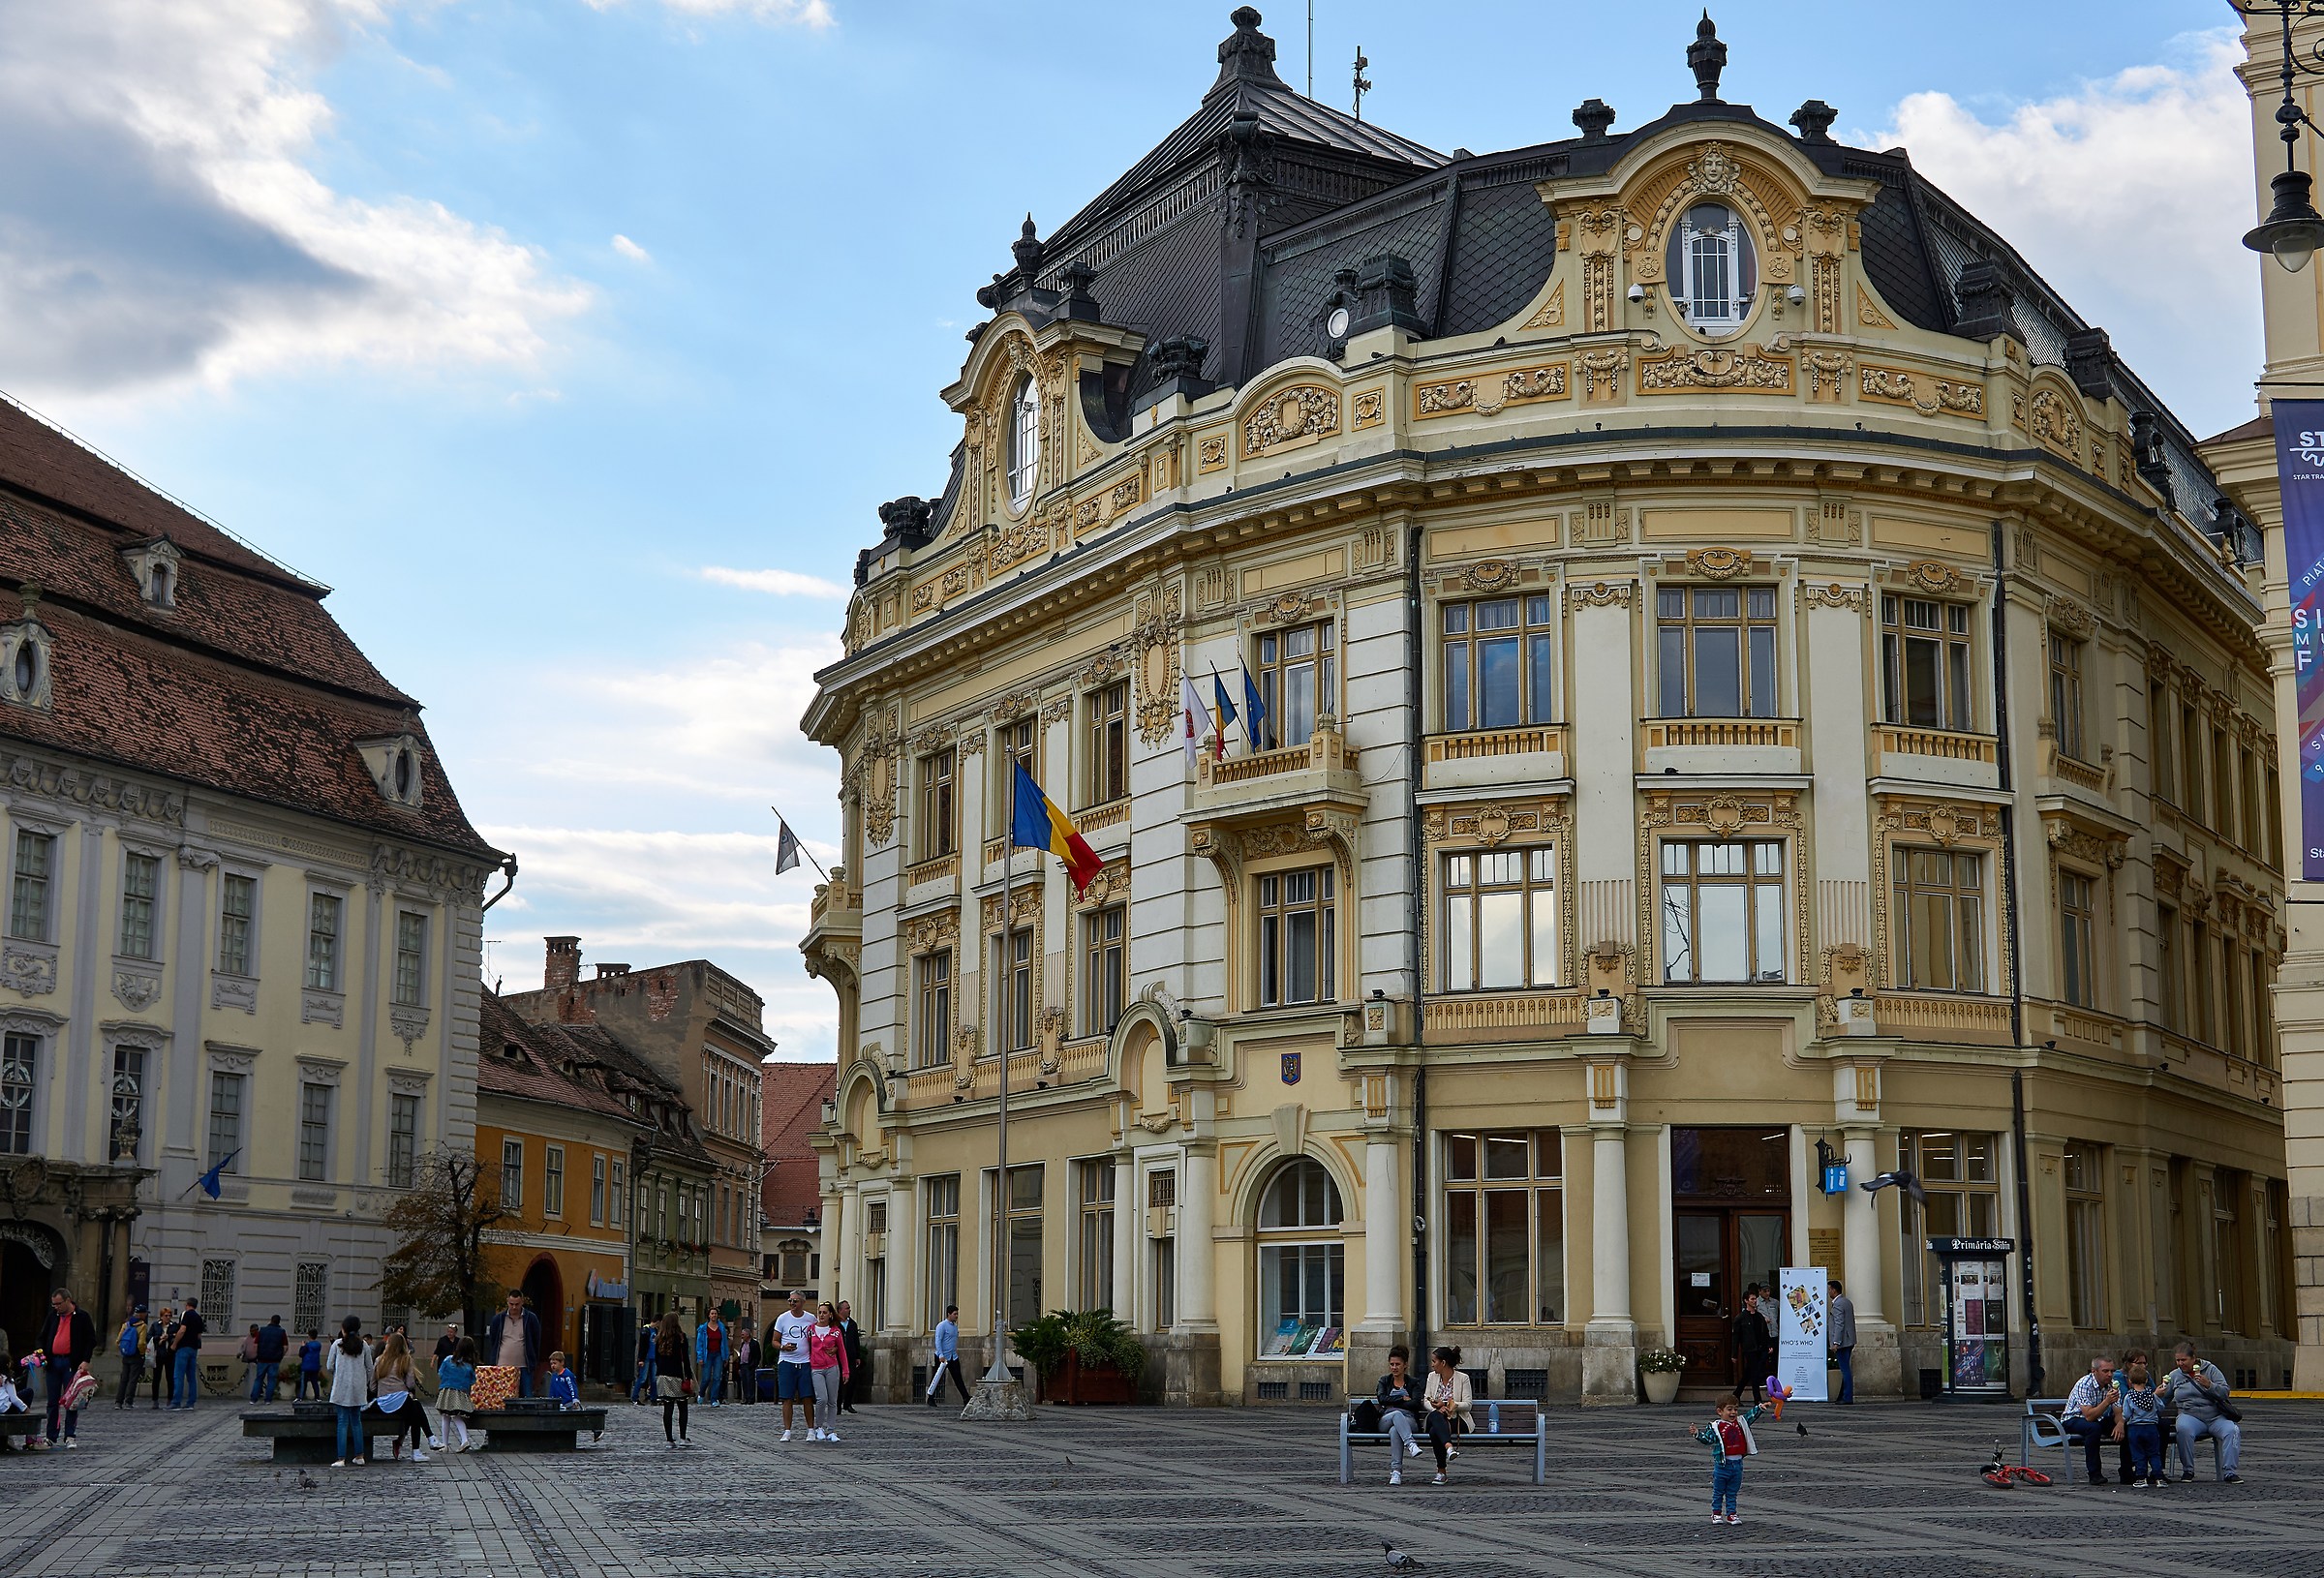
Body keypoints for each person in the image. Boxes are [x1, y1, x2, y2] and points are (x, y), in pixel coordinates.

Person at [2157, 1339, 2242, 1483]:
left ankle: (2229, 1471)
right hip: (2190, 1415)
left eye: (2184, 1360)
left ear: (2193, 1358)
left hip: (2215, 1417)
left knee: (2232, 1430)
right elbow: (2163, 1399)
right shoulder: (2174, 1376)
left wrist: (2209, 1385)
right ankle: (2188, 1470)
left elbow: (2225, 1392)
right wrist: (2157, 1396)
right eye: (2177, 1360)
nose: (2180, 1364)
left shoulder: (2211, 1370)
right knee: (2183, 1429)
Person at [34, 1288, 97, 1448]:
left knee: (71, 1401)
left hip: (71, 1363)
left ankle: (70, 1435)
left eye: (58, 1304)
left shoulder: (82, 1317)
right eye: (54, 1304)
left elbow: (91, 1340)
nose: (56, 1307)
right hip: (53, 1363)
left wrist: (85, 1360)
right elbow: (42, 1337)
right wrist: (41, 1353)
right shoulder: (53, 1316)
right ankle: (51, 1436)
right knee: (52, 1401)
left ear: (68, 1301)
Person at [1690, 1394, 1767, 1524]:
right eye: (1730, 1409)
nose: (1733, 1413)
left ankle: (1731, 1513)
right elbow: (1708, 1440)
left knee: (1732, 1491)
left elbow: (1750, 1416)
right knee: (1718, 1491)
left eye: (1735, 1409)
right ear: (1720, 1411)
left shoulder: (1740, 1422)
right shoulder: (1716, 1426)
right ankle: (1716, 1513)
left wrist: (1760, 1408)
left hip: (1737, 1464)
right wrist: (1697, 1433)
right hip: (1722, 1465)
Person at [2060, 1354, 2127, 1487]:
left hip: (2097, 1418)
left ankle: (2126, 1472)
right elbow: (2089, 1416)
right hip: (2073, 1418)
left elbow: (2118, 1411)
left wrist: (2120, 1424)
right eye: (2105, 1371)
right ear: (2094, 1371)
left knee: (2127, 1429)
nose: (2110, 1374)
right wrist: (2107, 1401)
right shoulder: (2084, 1384)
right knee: (2093, 1428)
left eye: (2112, 1371)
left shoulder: (2112, 1385)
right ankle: (2095, 1474)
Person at [373, 1330, 434, 1461]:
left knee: (414, 1408)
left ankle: (427, 1439)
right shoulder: (405, 1360)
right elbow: (411, 1384)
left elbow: (372, 1385)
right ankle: (420, 1447)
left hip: (382, 1403)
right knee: (415, 1410)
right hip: (400, 1402)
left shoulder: (379, 1360)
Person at [1371, 1345, 1426, 1485]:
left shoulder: (1413, 1383)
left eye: (1397, 1364)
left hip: (1409, 1421)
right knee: (1396, 1415)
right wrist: (1402, 1399)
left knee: (1396, 1430)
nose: (1394, 1367)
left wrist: (1393, 1402)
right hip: (1387, 1419)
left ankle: (1396, 1472)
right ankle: (1411, 1444)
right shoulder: (1384, 1381)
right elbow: (1382, 1399)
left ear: (1405, 1365)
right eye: (1392, 1364)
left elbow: (1415, 1404)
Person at [323, 1316, 374, 1468]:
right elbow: (370, 1367)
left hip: (341, 1387)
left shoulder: (338, 1345)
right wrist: (364, 1382)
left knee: (342, 1422)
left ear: (344, 1328)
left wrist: (339, 1374)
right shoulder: (363, 1345)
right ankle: (360, 1456)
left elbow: (329, 1366)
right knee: (356, 1421)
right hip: (358, 1388)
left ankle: (341, 1458)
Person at [1420, 1346, 1472, 1487]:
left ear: (1443, 1363)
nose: (1432, 1365)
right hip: (1436, 1417)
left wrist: (1450, 1405)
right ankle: (1449, 1447)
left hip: (1456, 1420)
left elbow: (1468, 1404)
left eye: (1434, 1361)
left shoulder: (1463, 1378)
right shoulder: (1432, 1376)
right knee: (1436, 1416)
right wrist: (1436, 1407)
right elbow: (1426, 1400)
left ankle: (1441, 1472)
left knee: (1434, 1432)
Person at [772, 1290, 817, 1441]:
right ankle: (787, 1431)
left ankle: (811, 1430)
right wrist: (784, 1347)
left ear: (803, 1302)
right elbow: (774, 1341)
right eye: (790, 1301)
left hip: (805, 1362)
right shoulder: (783, 1318)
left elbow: (816, 1338)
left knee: (807, 1397)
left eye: (795, 1301)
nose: (792, 1304)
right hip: (786, 1362)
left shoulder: (810, 1318)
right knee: (787, 1398)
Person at [2116, 1353, 2166, 1487]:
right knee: (2154, 1453)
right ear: (2146, 1380)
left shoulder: (2129, 1396)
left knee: (2138, 1454)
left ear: (2130, 1381)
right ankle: (2158, 1477)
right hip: (2151, 1428)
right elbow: (2160, 1407)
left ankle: (2141, 1477)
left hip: (2135, 1429)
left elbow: (2126, 1414)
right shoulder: (2152, 1394)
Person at [485, 1292, 543, 1399]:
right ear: (507, 1302)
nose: (514, 1307)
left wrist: (533, 1360)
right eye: (511, 1304)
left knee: (527, 1397)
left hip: (525, 1366)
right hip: (502, 1366)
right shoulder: (498, 1319)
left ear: (522, 1302)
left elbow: (536, 1341)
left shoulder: (531, 1319)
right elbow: (493, 1340)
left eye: (517, 1304)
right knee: (502, 1398)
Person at [807, 1302, 850, 1442]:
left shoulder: (835, 1331)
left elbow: (842, 1351)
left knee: (833, 1401)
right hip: (816, 1368)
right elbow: (806, 1348)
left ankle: (831, 1430)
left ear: (830, 1314)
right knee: (821, 1399)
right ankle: (819, 1427)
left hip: (832, 1367)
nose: (821, 1315)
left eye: (824, 1312)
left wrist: (846, 1371)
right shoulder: (811, 1330)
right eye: (820, 1312)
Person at [653, 1312, 694, 1448]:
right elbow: (685, 1360)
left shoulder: (659, 1338)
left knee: (668, 1408)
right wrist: (689, 1376)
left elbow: (657, 1359)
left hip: (663, 1376)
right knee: (682, 1407)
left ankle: (669, 1439)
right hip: (677, 1376)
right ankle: (682, 1437)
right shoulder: (681, 1338)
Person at [1730, 1287, 1772, 1404]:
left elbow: (1765, 1332)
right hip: (1750, 1349)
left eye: (1755, 1299)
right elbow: (1736, 1337)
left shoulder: (1759, 1317)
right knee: (1755, 1373)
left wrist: (1768, 1345)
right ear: (1746, 1301)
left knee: (1749, 1372)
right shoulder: (1741, 1318)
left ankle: (1736, 1395)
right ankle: (1757, 1399)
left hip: (1761, 1348)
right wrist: (1734, 1354)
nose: (1755, 1301)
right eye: (1752, 1299)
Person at [436, 1338, 477, 1452]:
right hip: (461, 1393)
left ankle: (445, 1445)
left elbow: (440, 1373)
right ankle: (464, 1440)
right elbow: (472, 1381)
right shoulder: (469, 1366)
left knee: (446, 1416)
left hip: (447, 1390)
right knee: (457, 1416)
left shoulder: (449, 1360)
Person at [925, 1304, 970, 1406]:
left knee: (958, 1377)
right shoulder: (942, 1326)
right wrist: (940, 1355)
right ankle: (930, 1397)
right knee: (937, 1378)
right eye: (955, 1314)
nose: (956, 1316)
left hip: (953, 1356)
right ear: (949, 1314)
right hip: (942, 1357)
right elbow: (938, 1341)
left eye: (957, 1314)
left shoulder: (954, 1327)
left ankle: (966, 1397)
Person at [169, 1295, 206, 1409]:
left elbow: (182, 1330)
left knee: (178, 1375)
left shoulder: (186, 1314)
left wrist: (174, 1344)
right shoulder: (198, 1318)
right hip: (193, 1349)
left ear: (187, 1305)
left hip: (183, 1347)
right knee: (191, 1377)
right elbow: (199, 1335)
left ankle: (176, 1402)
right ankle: (191, 1402)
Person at [1826, 1280, 1856, 1405]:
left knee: (1845, 1369)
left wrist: (1836, 1342)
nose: (1828, 1292)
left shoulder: (1838, 1304)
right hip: (1849, 1340)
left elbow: (1839, 1324)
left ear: (1834, 1290)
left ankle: (1847, 1396)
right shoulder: (1847, 1302)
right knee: (1846, 1368)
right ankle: (1842, 1395)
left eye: (1829, 1290)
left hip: (1842, 1342)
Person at [113, 1307, 146, 1409]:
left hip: (126, 1355)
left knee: (124, 1379)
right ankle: (128, 1402)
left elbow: (118, 1340)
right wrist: (142, 1353)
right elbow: (141, 1343)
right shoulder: (142, 1326)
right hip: (136, 1355)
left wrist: (124, 1350)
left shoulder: (126, 1325)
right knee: (133, 1379)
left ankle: (118, 1402)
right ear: (142, 1314)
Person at [837, 1300, 867, 1412]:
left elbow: (856, 1340)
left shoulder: (852, 1324)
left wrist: (857, 1355)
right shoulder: (834, 1323)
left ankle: (848, 1403)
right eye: (847, 1308)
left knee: (852, 1380)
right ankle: (838, 1405)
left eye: (849, 1308)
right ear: (840, 1310)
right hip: (838, 1357)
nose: (849, 1310)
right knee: (838, 1382)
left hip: (850, 1356)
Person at [252, 1316, 289, 1403]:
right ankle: (268, 1399)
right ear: (279, 1322)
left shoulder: (262, 1330)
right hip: (275, 1360)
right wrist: (280, 1356)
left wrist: (257, 1355)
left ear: (271, 1320)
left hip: (262, 1359)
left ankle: (254, 1399)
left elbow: (255, 1345)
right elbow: (285, 1347)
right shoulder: (281, 1332)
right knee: (271, 1380)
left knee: (259, 1379)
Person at [694, 1310, 726, 1407]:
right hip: (707, 1355)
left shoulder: (721, 1328)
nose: (714, 1315)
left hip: (718, 1355)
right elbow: (699, 1344)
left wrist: (725, 1356)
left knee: (717, 1377)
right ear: (708, 1315)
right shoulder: (703, 1328)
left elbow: (724, 1343)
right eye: (712, 1313)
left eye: (715, 1314)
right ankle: (701, 1393)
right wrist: (700, 1357)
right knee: (706, 1378)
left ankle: (714, 1399)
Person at [147, 1305, 176, 1409]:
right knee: (156, 1378)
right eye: (166, 1316)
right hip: (158, 1354)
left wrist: (169, 1336)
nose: (168, 1318)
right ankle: (155, 1400)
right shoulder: (156, 1325)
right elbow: (149, 1337)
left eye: (169, 1315)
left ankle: (170, 1399)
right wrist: (158, 1338)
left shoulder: (174, 1326)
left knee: (170, 1378)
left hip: (169, 1355)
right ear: (161, 1316)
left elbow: (177, 1335)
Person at [630, 1320, 657, 1406]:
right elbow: (642, 1346)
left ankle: (654, 1398)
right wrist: (641, 1359)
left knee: (654, 1379)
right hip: (646, 1358)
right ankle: (634, 1397)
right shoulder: (646, 1330)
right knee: (642, 1378)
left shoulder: (656, 1330)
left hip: (654, 1358)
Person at [732, 1323, 759, 1406]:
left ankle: (751, 1398)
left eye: (743, 1335)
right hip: (743, 1365)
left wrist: (753, 1365)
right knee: (744, 1383)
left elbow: (757, 1356)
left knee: (750, 1382)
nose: (742, 1336)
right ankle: (746, 1398)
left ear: (748, 1335)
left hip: (749, 1365)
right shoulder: (743, 1344)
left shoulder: (754, 1344)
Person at [297, 1329, 324, 1400]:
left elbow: (301, 1354)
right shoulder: (318, 1345)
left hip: (306, 1366)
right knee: (314, 1382)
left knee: (304, 1383)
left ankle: (301, 1397)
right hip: (315, 1366)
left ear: (309, 1336)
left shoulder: (307, 1346)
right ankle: (317, 1397)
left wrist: (303, 1346)